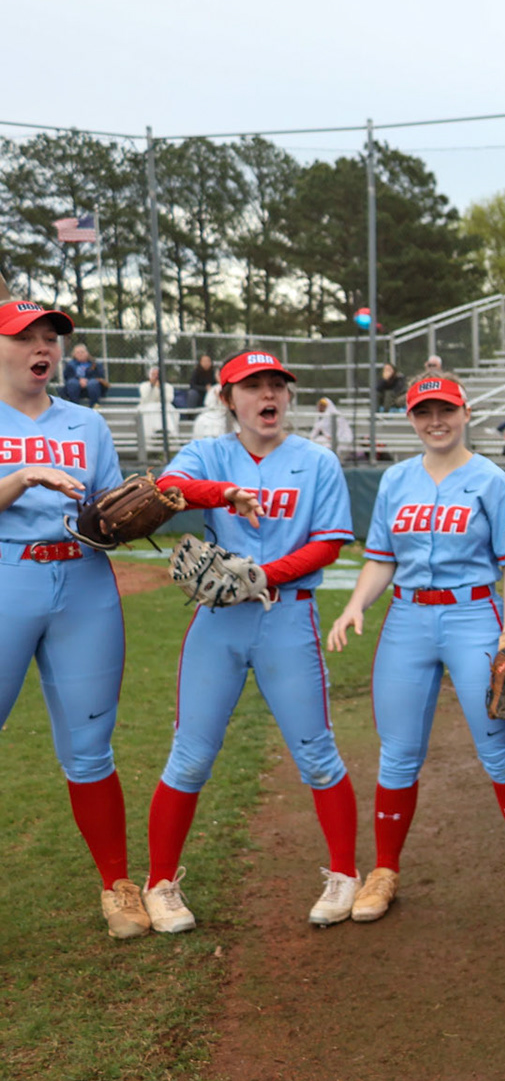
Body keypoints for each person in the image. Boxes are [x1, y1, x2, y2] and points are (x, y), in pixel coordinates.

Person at [141, 351, 359, 932]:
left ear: (288, 397)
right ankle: (159, 884)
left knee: (317, 754)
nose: (268, 395)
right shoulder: (210, 453)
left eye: (276, 386)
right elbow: (168, 488)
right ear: (227, 398)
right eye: (252, 386)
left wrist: (267, 575)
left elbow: (329, 543)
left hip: (287, 616)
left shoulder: (316, 461)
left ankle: (344, 874)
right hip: (220, 622)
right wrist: (222, 494)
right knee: (189, 757)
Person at [326, 374, 505, 922]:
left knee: (497, 746)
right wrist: (356, 603)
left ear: (465, 412)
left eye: (445, 410)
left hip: (473, 612)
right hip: (407, 616)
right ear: (410, 419)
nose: (436, 421)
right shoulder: (396, 481)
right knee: (398, 751)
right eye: (424, 412)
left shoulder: (491, 479)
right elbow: (381, 557)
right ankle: (384, 869)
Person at [0, 298, 146, 939]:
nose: (43, 347)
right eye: (26, 337)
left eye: (50, 338)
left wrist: (128, 516)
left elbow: (104, 514)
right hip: (7, 575)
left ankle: (118, 887)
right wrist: (23, 476)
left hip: (83, 583)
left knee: (90, 749)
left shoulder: (86, 424)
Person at [137, 366, 181, 448]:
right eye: (153, 374)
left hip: (164, 406)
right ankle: (151, 439)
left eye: (157, 374)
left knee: (168, 410)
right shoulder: (144, 386)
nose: (156, 377)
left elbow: (169, 399)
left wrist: (159, 388)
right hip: (147, 407)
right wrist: (153, 387)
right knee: (150, 411)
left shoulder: (168, 386)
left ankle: (170, 436)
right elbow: (146, 398)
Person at [61, 342, 107, 407]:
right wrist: (79, 380)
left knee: (93, 383)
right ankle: (74, 407)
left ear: (87, 353)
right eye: (77, 352)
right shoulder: (70, 365)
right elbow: (67, 377)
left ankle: (94, 406)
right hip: (76, 386)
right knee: (72, 383)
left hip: (92, 386)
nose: (80, 354)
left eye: (82, 352)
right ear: (74, 354)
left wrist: (87, 380)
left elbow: (100, 375)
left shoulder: (95, 364)